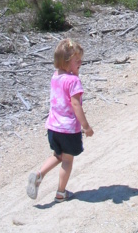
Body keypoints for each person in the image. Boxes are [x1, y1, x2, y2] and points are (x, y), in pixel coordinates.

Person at [26, 38, 94, 202]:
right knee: (67, 160)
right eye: (77, 61)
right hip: (68, 129)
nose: (81, 63)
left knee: (58, 155)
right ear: (67, 62)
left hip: (53, 128)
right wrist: (86, 126)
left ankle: (39, 174)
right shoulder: (73, 81)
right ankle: (61, 193)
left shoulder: (55, 77)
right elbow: (76, 105)